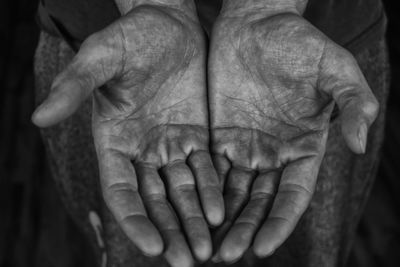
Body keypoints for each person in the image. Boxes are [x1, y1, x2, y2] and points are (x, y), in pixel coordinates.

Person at [33, 0, 389, 266]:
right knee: (133, 247)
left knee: (303, 252)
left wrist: (265, 7)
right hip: (119, 81)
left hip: (302, 87)